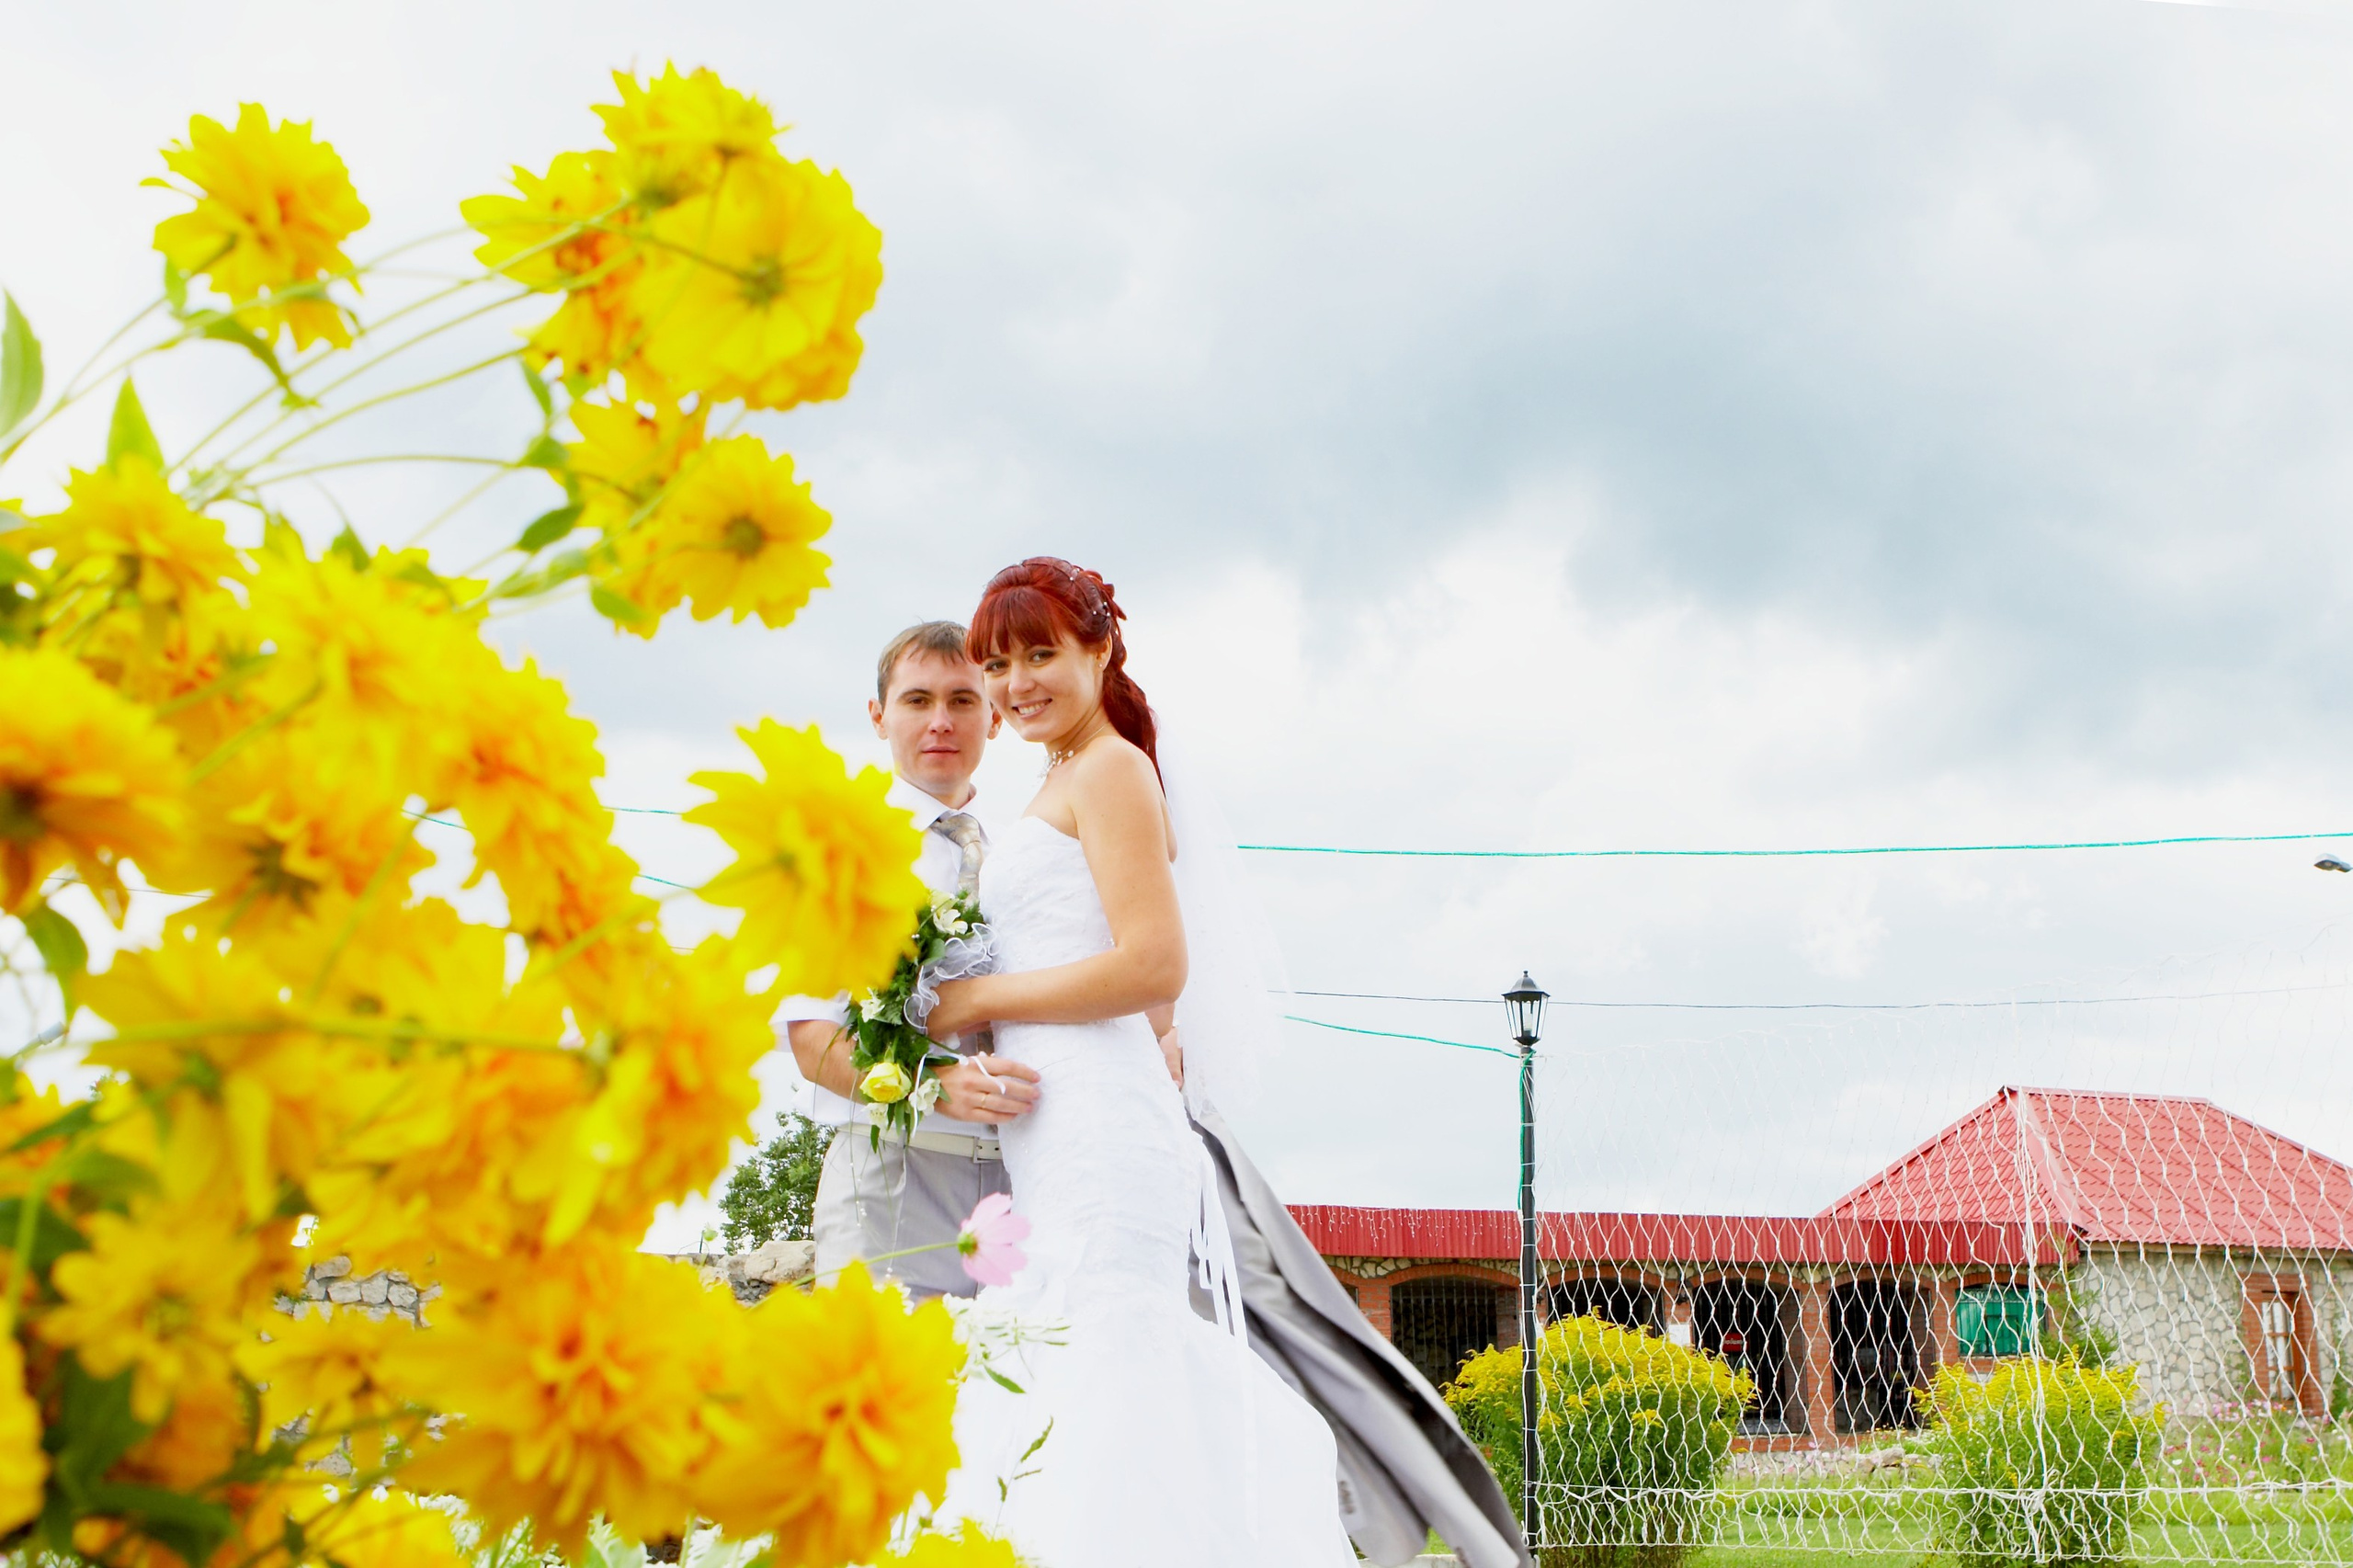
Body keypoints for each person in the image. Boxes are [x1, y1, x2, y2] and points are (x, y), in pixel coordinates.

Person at [922, 559, 1357, 1564]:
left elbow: (1155, 959)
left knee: (1102, 1367)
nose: (1015, 681)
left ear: (1099, 649)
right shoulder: (1059, 778)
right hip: (1057, 1123)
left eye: (1041, 653)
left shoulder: (1110, 767)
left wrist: (978, 999)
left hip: (1099, 1133)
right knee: (1065, 1373)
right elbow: (1151, 992)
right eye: (997, 662)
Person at [779, 620, 1044, 1301]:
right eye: (917, 700)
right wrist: (933, 1085)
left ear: (994, 716)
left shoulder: (1027, 855)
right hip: (892, 1176)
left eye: (962, 700)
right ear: (879, 716)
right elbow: (811, 1038)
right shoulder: (838, 854)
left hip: (1028, 1185)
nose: (941, 721)